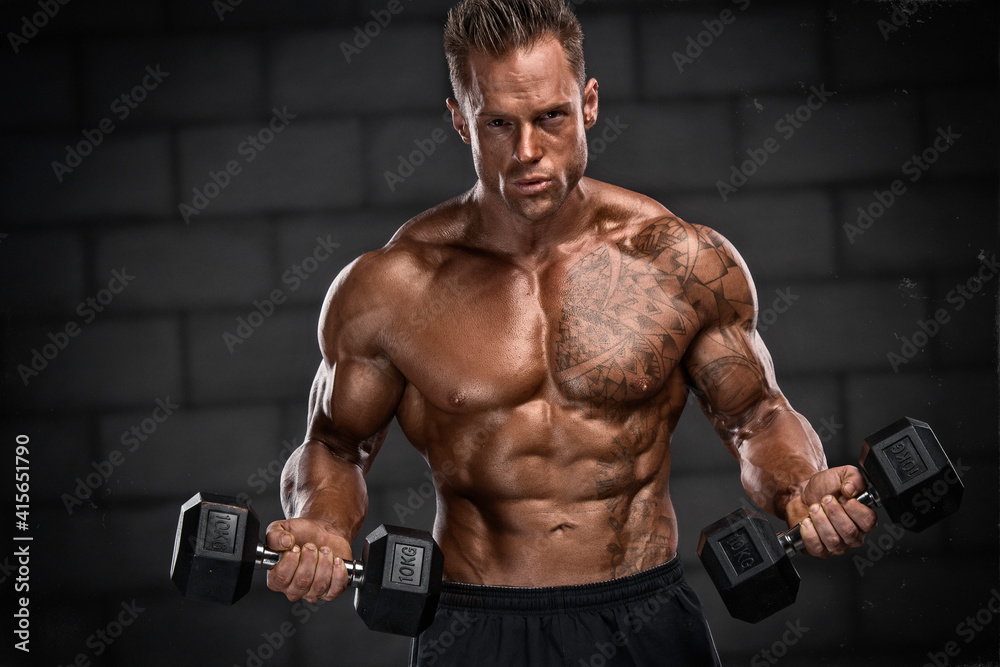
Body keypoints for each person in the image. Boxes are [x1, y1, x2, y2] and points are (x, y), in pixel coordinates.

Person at [265, 0, 878, 664]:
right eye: (497, 123)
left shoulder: (678, 261)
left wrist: (803, 487)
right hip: (475, 624)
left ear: (588, 104)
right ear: (457, 119)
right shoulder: (393, 286)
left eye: (549, 117)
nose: (527, 151)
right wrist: (322, 526)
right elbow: (333, 445)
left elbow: (755, 416)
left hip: (643, 612)